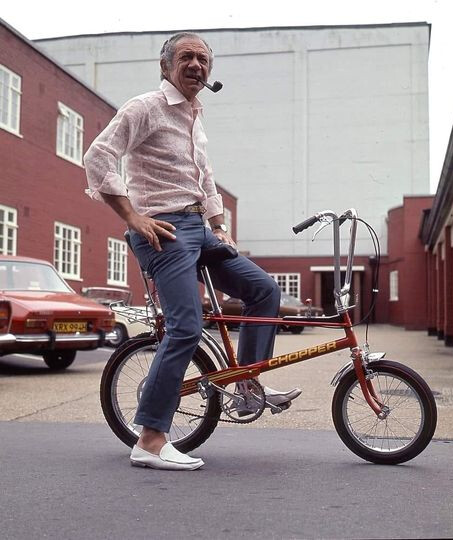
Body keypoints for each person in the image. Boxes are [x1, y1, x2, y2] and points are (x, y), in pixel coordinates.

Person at [84, 32, 301, 471]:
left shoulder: (194, 116)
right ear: (165, 66)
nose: (196, 65)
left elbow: (204, 177)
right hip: (164, 230)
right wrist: (133, 217)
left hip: (200, 230)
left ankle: (246, 387)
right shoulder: (145, 107)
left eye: (203, 59)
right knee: (186, 327)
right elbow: (98, 157)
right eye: (186, 57)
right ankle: (149, 441)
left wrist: (219, 227)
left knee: (264, 291)